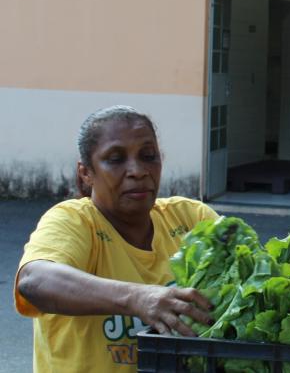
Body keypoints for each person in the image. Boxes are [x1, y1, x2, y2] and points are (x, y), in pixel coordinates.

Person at [14, 105, 218, 373]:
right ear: (86, 172)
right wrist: (138, 299)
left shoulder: (191, 218)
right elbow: (34, 281)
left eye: (148, 156)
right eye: (116, 159)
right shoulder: (74, 221)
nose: (137, 170)